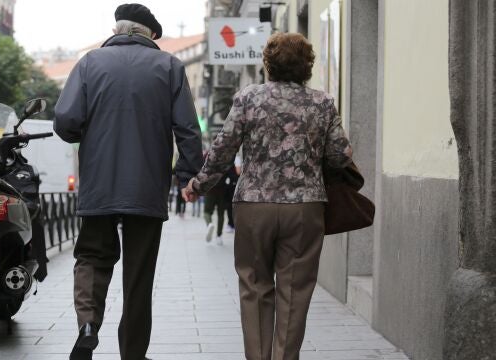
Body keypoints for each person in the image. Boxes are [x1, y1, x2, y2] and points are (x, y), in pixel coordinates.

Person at [183, 33, 353, 360]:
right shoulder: (322, 102)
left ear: (268, 64)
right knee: (295, 291)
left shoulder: (249, 99)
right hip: (305, 208)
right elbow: (340, 156)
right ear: (307, 65)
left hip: (253, 206)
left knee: (255, 287)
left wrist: (198, 185)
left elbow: (222, 150)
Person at [53, 4, 203, 360]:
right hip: (147, 188)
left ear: (118, 30)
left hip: (99, 185)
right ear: (149, 34)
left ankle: (88, 324)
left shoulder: (89, 64)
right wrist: (187, 175)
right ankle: (133, 353)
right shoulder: (170, 67)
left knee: (91, 255)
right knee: (139, 273)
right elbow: (188, 131)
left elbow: (65, 120)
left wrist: (84, 133)